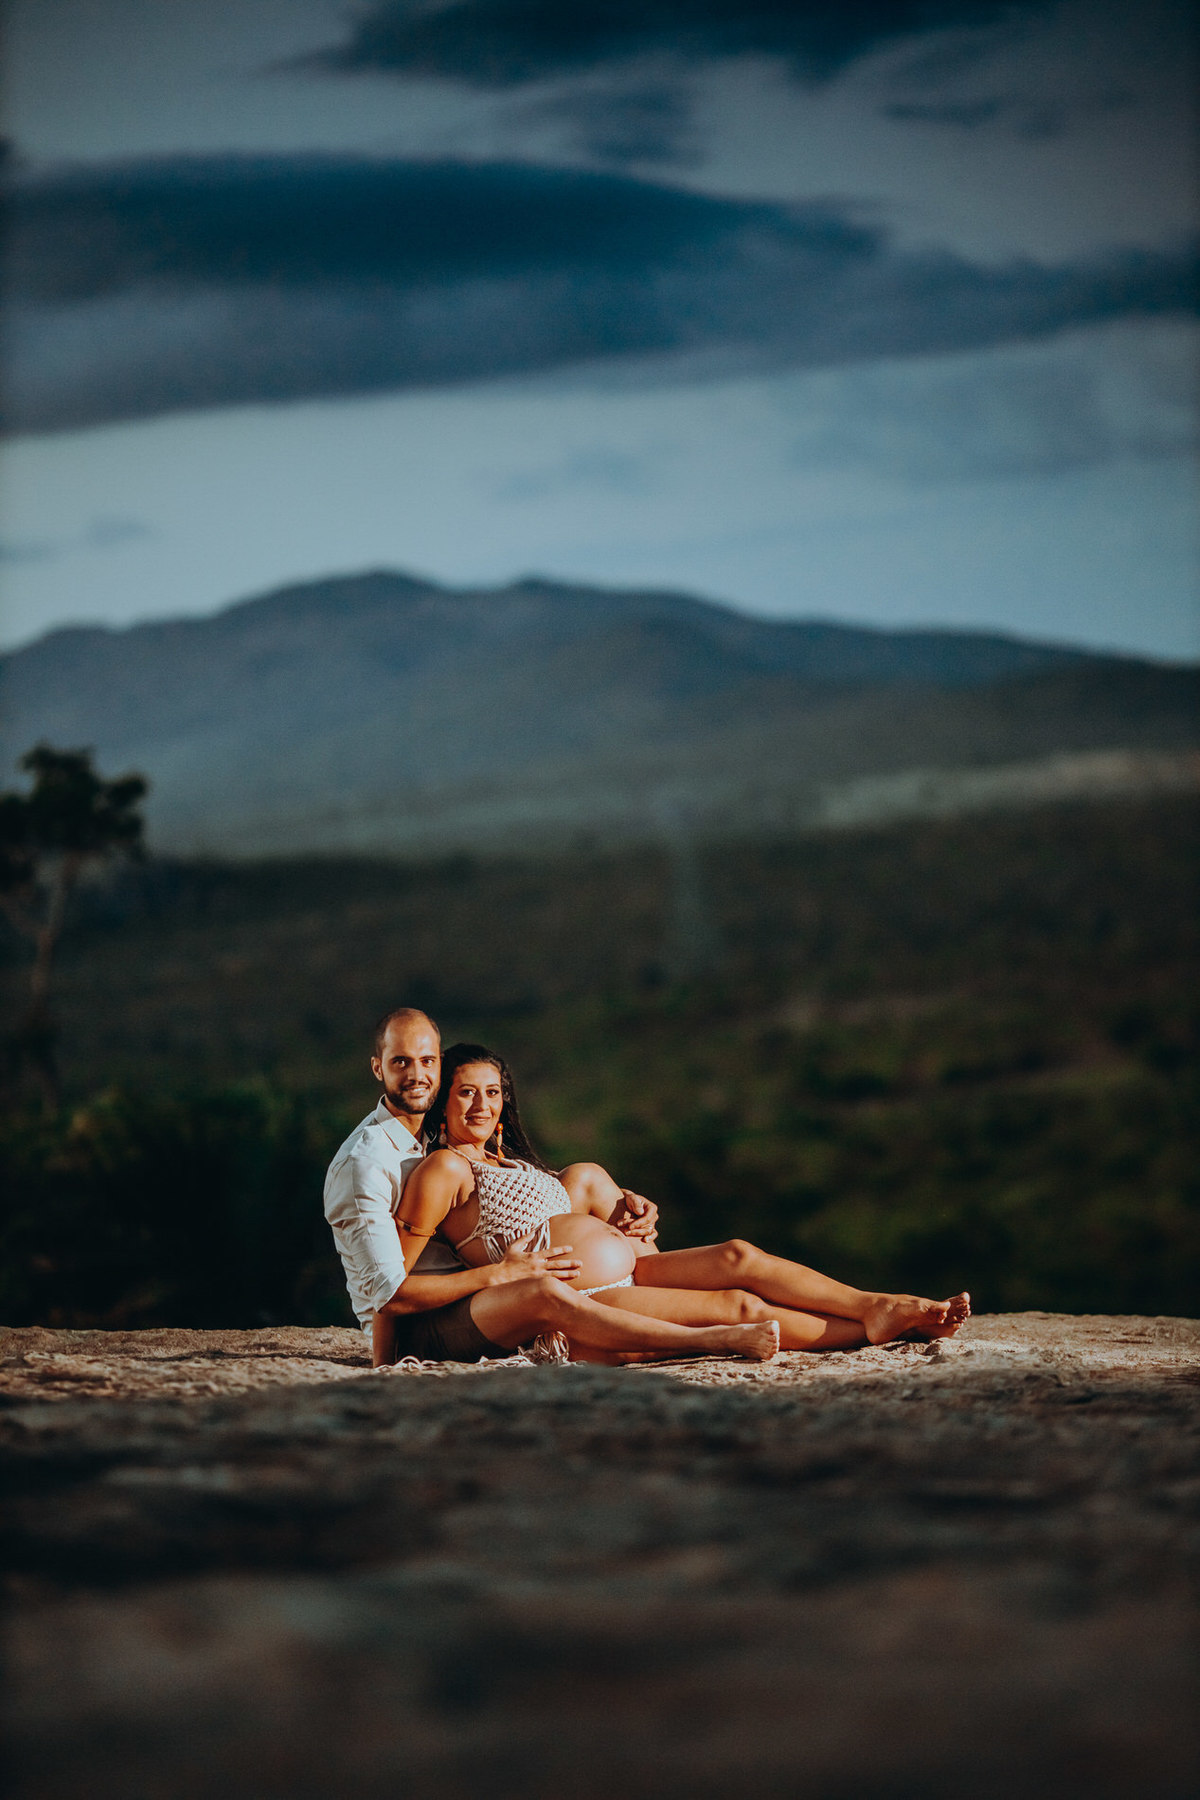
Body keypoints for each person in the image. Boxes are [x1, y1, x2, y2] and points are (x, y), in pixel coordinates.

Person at [392, 1039, 970, 1362]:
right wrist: (501, 1276)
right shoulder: (445, 1168)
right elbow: (395, 1282)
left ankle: (872, 1305)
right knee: (737, 1306)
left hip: (629, 1272)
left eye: (492, 1093)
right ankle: (883, 1331)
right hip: (576, 1302)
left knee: (739, 1255)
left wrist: (633, 1220)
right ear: (442, 1103)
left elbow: (613, 1220)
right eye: (465, 1093)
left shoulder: (512, 1163)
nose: (481, 1106)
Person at [323, 1008, 779, 1368]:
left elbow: (504, 1193)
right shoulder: (368, 1162)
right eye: (400, 1062)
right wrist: (385, 1365)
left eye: (427, 1061)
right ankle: (708, 1339)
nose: (417, 1074)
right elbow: (389, 1292)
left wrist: (612, 1210)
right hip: (433, 1321)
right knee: (546, 1296)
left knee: (732, 1281)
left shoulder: (427, 1138)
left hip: (481, 1303)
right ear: (377, 1068)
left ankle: (848, 1318)